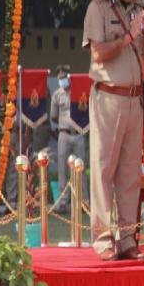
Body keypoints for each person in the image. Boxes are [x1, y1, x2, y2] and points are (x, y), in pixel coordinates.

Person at [82, 0, 144, 261]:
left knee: (129, 174)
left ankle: (128, 240)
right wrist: (129, 36)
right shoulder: (98, 8)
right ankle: (103, 240)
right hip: (108, 99)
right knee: (103, 170)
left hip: (134, 100)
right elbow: (98, 53)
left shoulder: (139, 7)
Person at [50, 64, 88, 213]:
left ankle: (84, 202)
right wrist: (64, 122)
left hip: (78, 133)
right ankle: (63, 202)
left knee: (81, 167)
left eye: (64, 77)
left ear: (69, 77)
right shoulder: (56, 95)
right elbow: (53, 115)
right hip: (64, 134)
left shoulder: (78, 91)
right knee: (62, 169)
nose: (62, 80)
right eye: (59, 78)